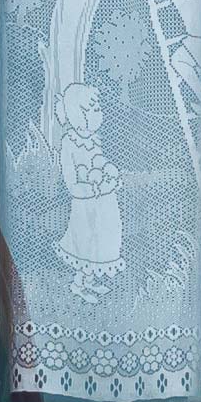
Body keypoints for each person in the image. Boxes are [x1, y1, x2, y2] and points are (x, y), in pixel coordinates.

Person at [54, 82, 124, 303]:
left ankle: (90, 280)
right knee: (85, 241)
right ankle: (78, 284)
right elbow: (71, 177)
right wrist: (90, 188)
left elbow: (97, 160)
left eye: (98, 108)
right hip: (84, 203)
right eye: (93, 109)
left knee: (99, 240)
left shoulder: (92, 139)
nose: (99, 113)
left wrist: (108, 172)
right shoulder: (69, 142)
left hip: (100, 201)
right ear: (78, 113)